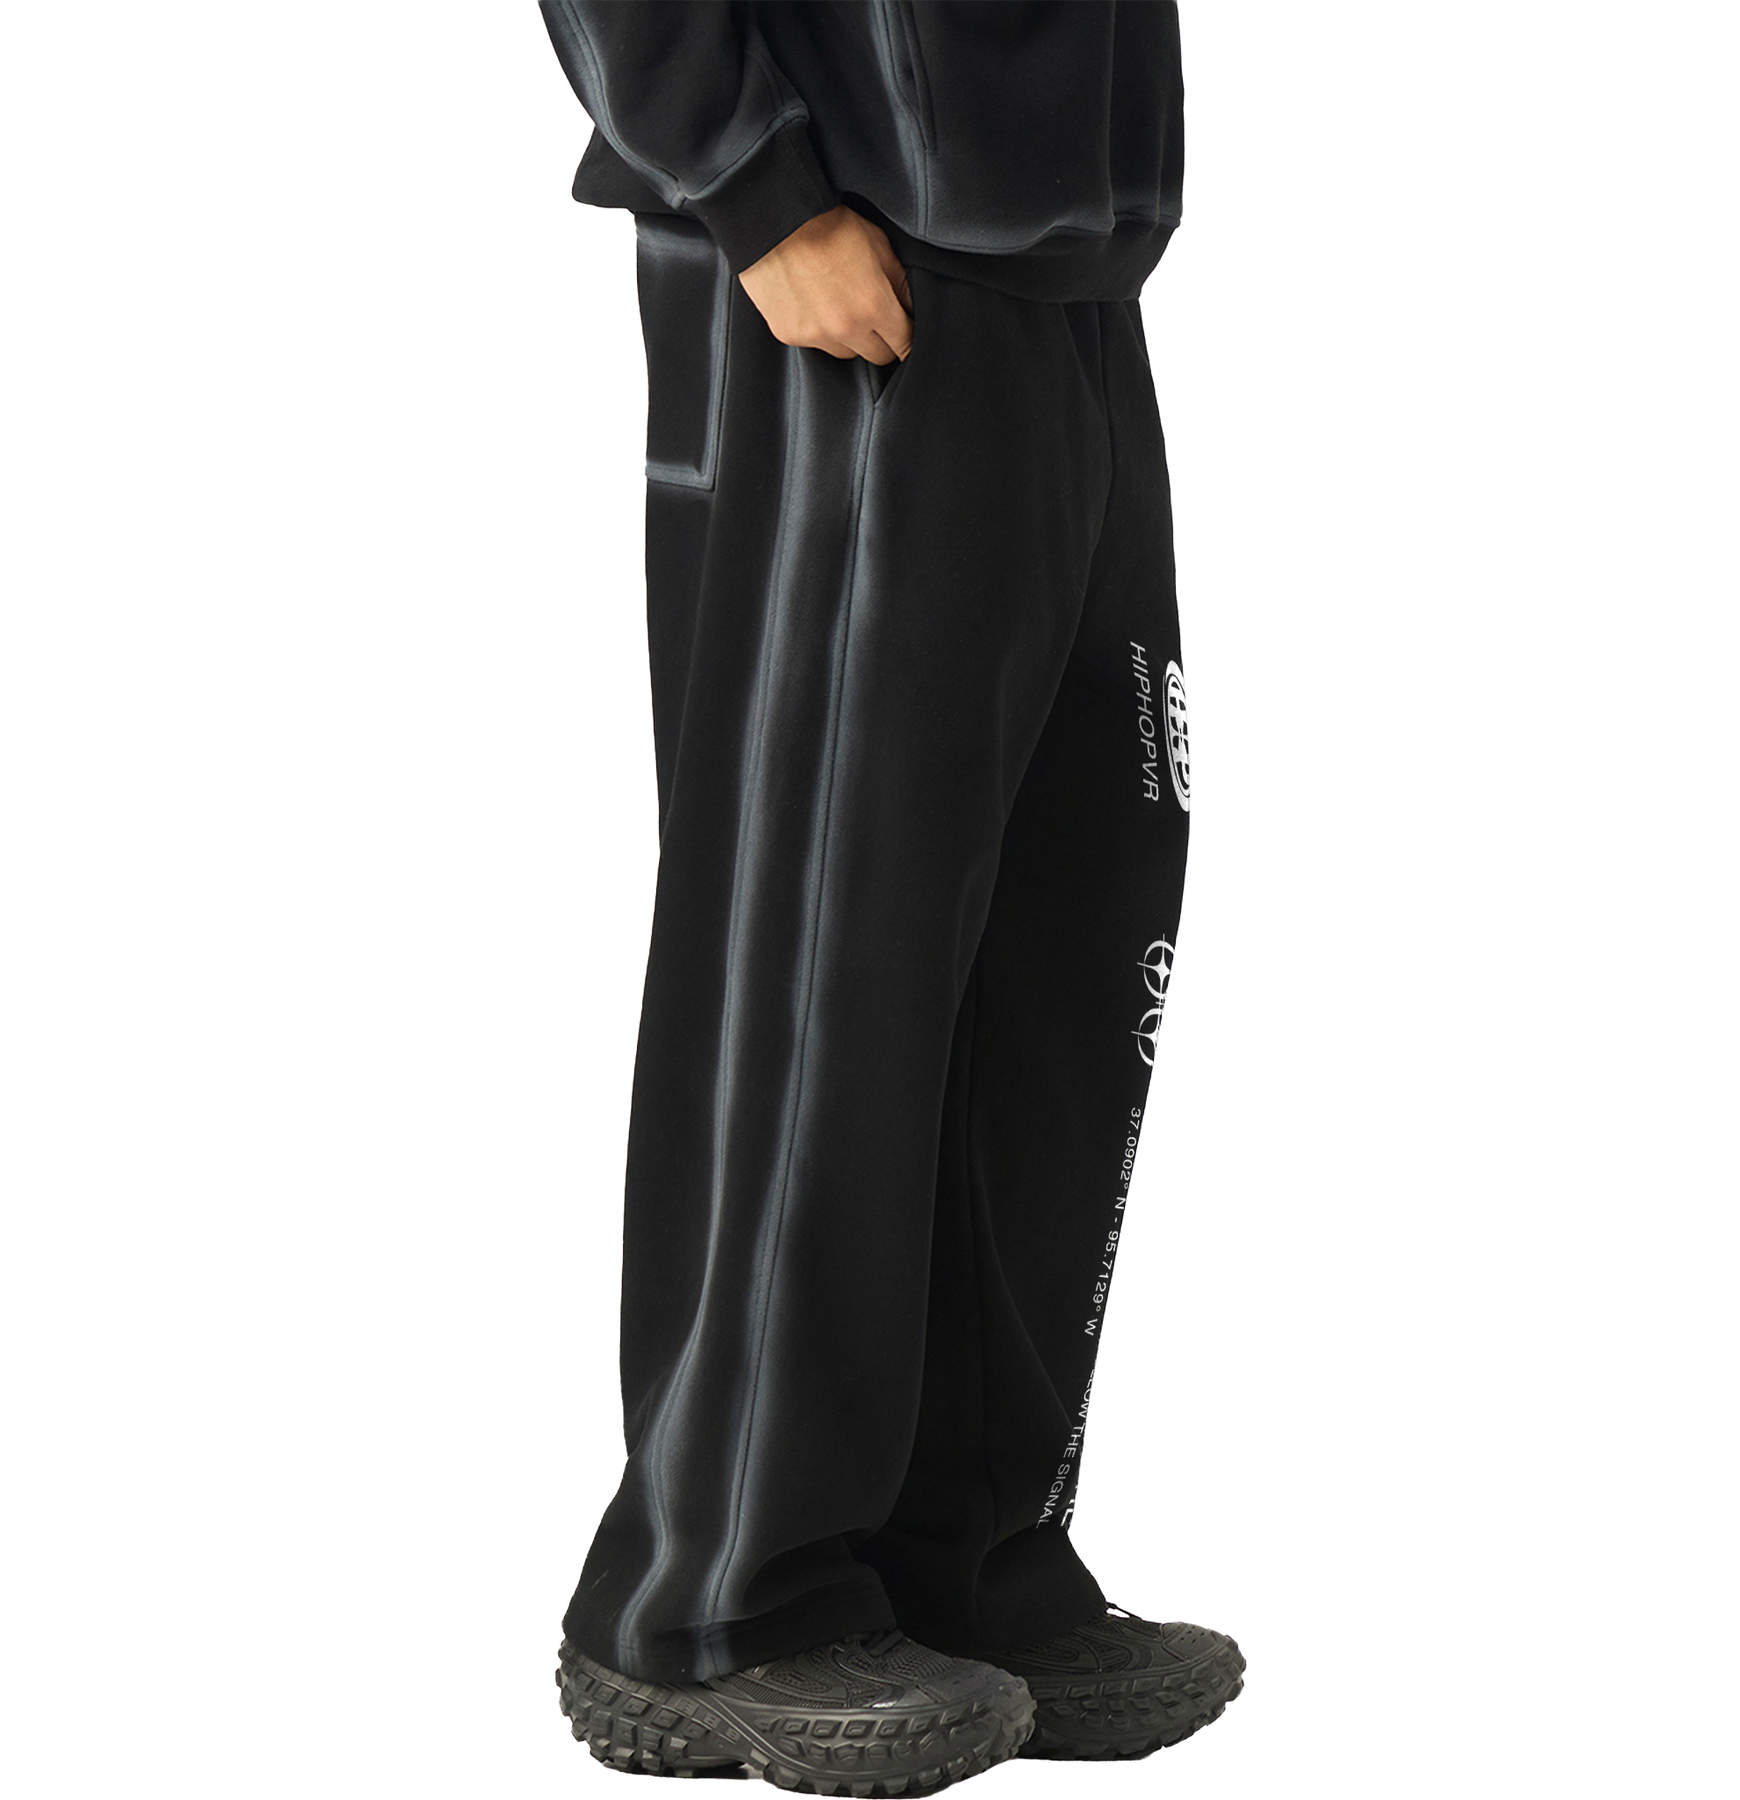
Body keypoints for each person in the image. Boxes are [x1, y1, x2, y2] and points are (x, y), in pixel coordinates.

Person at [531, 5, 1246, 1791]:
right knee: (828, 935)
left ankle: (961, 1555)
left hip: (1069, 273)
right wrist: (753, 191)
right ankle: (714, 1600)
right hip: (837, 259)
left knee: (1073, 923)